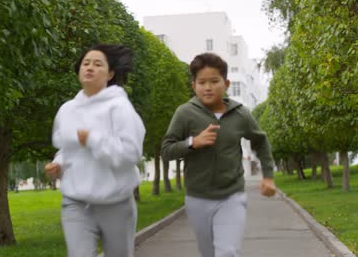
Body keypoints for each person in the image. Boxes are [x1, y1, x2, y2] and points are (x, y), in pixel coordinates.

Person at [161, 52, 276, 257]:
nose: (208, 87)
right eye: (202, 82)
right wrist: (192, 143)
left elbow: (260, 140)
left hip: (232, 195)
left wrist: (268, 176)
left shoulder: (241, 114)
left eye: (214, 81)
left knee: (227, 252)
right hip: (197, 198)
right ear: (193, 85)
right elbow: (167, 150)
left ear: (226, 83)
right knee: (209, 253)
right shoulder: (185, 113)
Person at [44, 44, 145, 257]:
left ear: (110, 74)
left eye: (98, 64)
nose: (89, 67)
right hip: (76, 202)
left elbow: (131, 153)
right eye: (86, 63)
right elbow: (67, 149)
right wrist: (59, 165)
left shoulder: (120, 108)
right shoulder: (67, 110)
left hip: (116, 202)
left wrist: (92, 139)